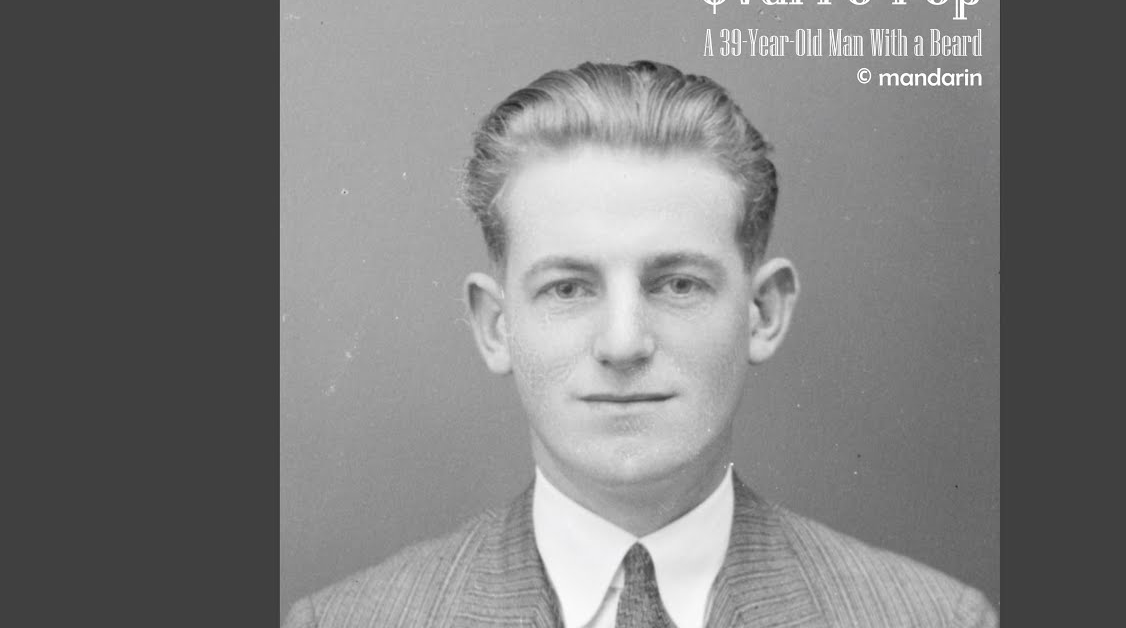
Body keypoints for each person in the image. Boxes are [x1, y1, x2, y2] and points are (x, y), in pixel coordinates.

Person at [282, 60, 998, 627]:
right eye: (569, 288)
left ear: (763, 312)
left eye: (678, 284)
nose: (623, 343)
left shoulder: (936, 620)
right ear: (496, 326)